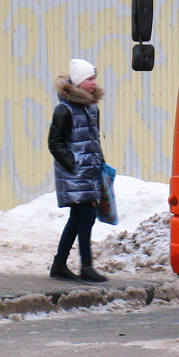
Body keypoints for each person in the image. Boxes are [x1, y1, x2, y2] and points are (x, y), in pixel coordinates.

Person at [47, 58, 109, 283]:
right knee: (86, 216)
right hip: (74, 174)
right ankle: (86, 266)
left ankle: (59, 264)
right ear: (79, 82)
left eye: (94, 78)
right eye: (90, 79)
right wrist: (72, 165)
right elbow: (55, 142)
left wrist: (100, 163)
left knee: (77, 218)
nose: (94, 83)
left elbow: (94, 140)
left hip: (89, 173)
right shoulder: (64, 109)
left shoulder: (92, 108)